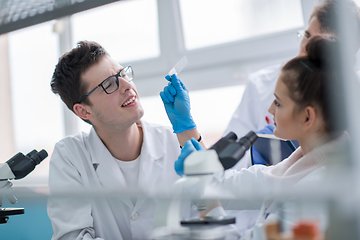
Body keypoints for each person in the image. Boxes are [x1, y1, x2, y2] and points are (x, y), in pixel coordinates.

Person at [170, 36, 352, 239]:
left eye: (278, 103)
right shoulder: (303, 162)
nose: (270, 109)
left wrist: (206, 199)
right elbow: (239, 184)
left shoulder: (316, 193)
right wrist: (191, 140)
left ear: (308, 116)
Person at [47, 41, 201, 240]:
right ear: (84, 110)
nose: (127, 85)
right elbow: (72, 237)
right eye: (109, 84)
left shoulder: (175, 141)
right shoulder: (70, 157)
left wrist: (189, 129)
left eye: (123, 74)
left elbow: (215, 204)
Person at [225, 0, 360, 169]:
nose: (307, 48)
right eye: (308, 36)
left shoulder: (353, 95)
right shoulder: (260, 84)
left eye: (322, 43)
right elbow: (229, 162)